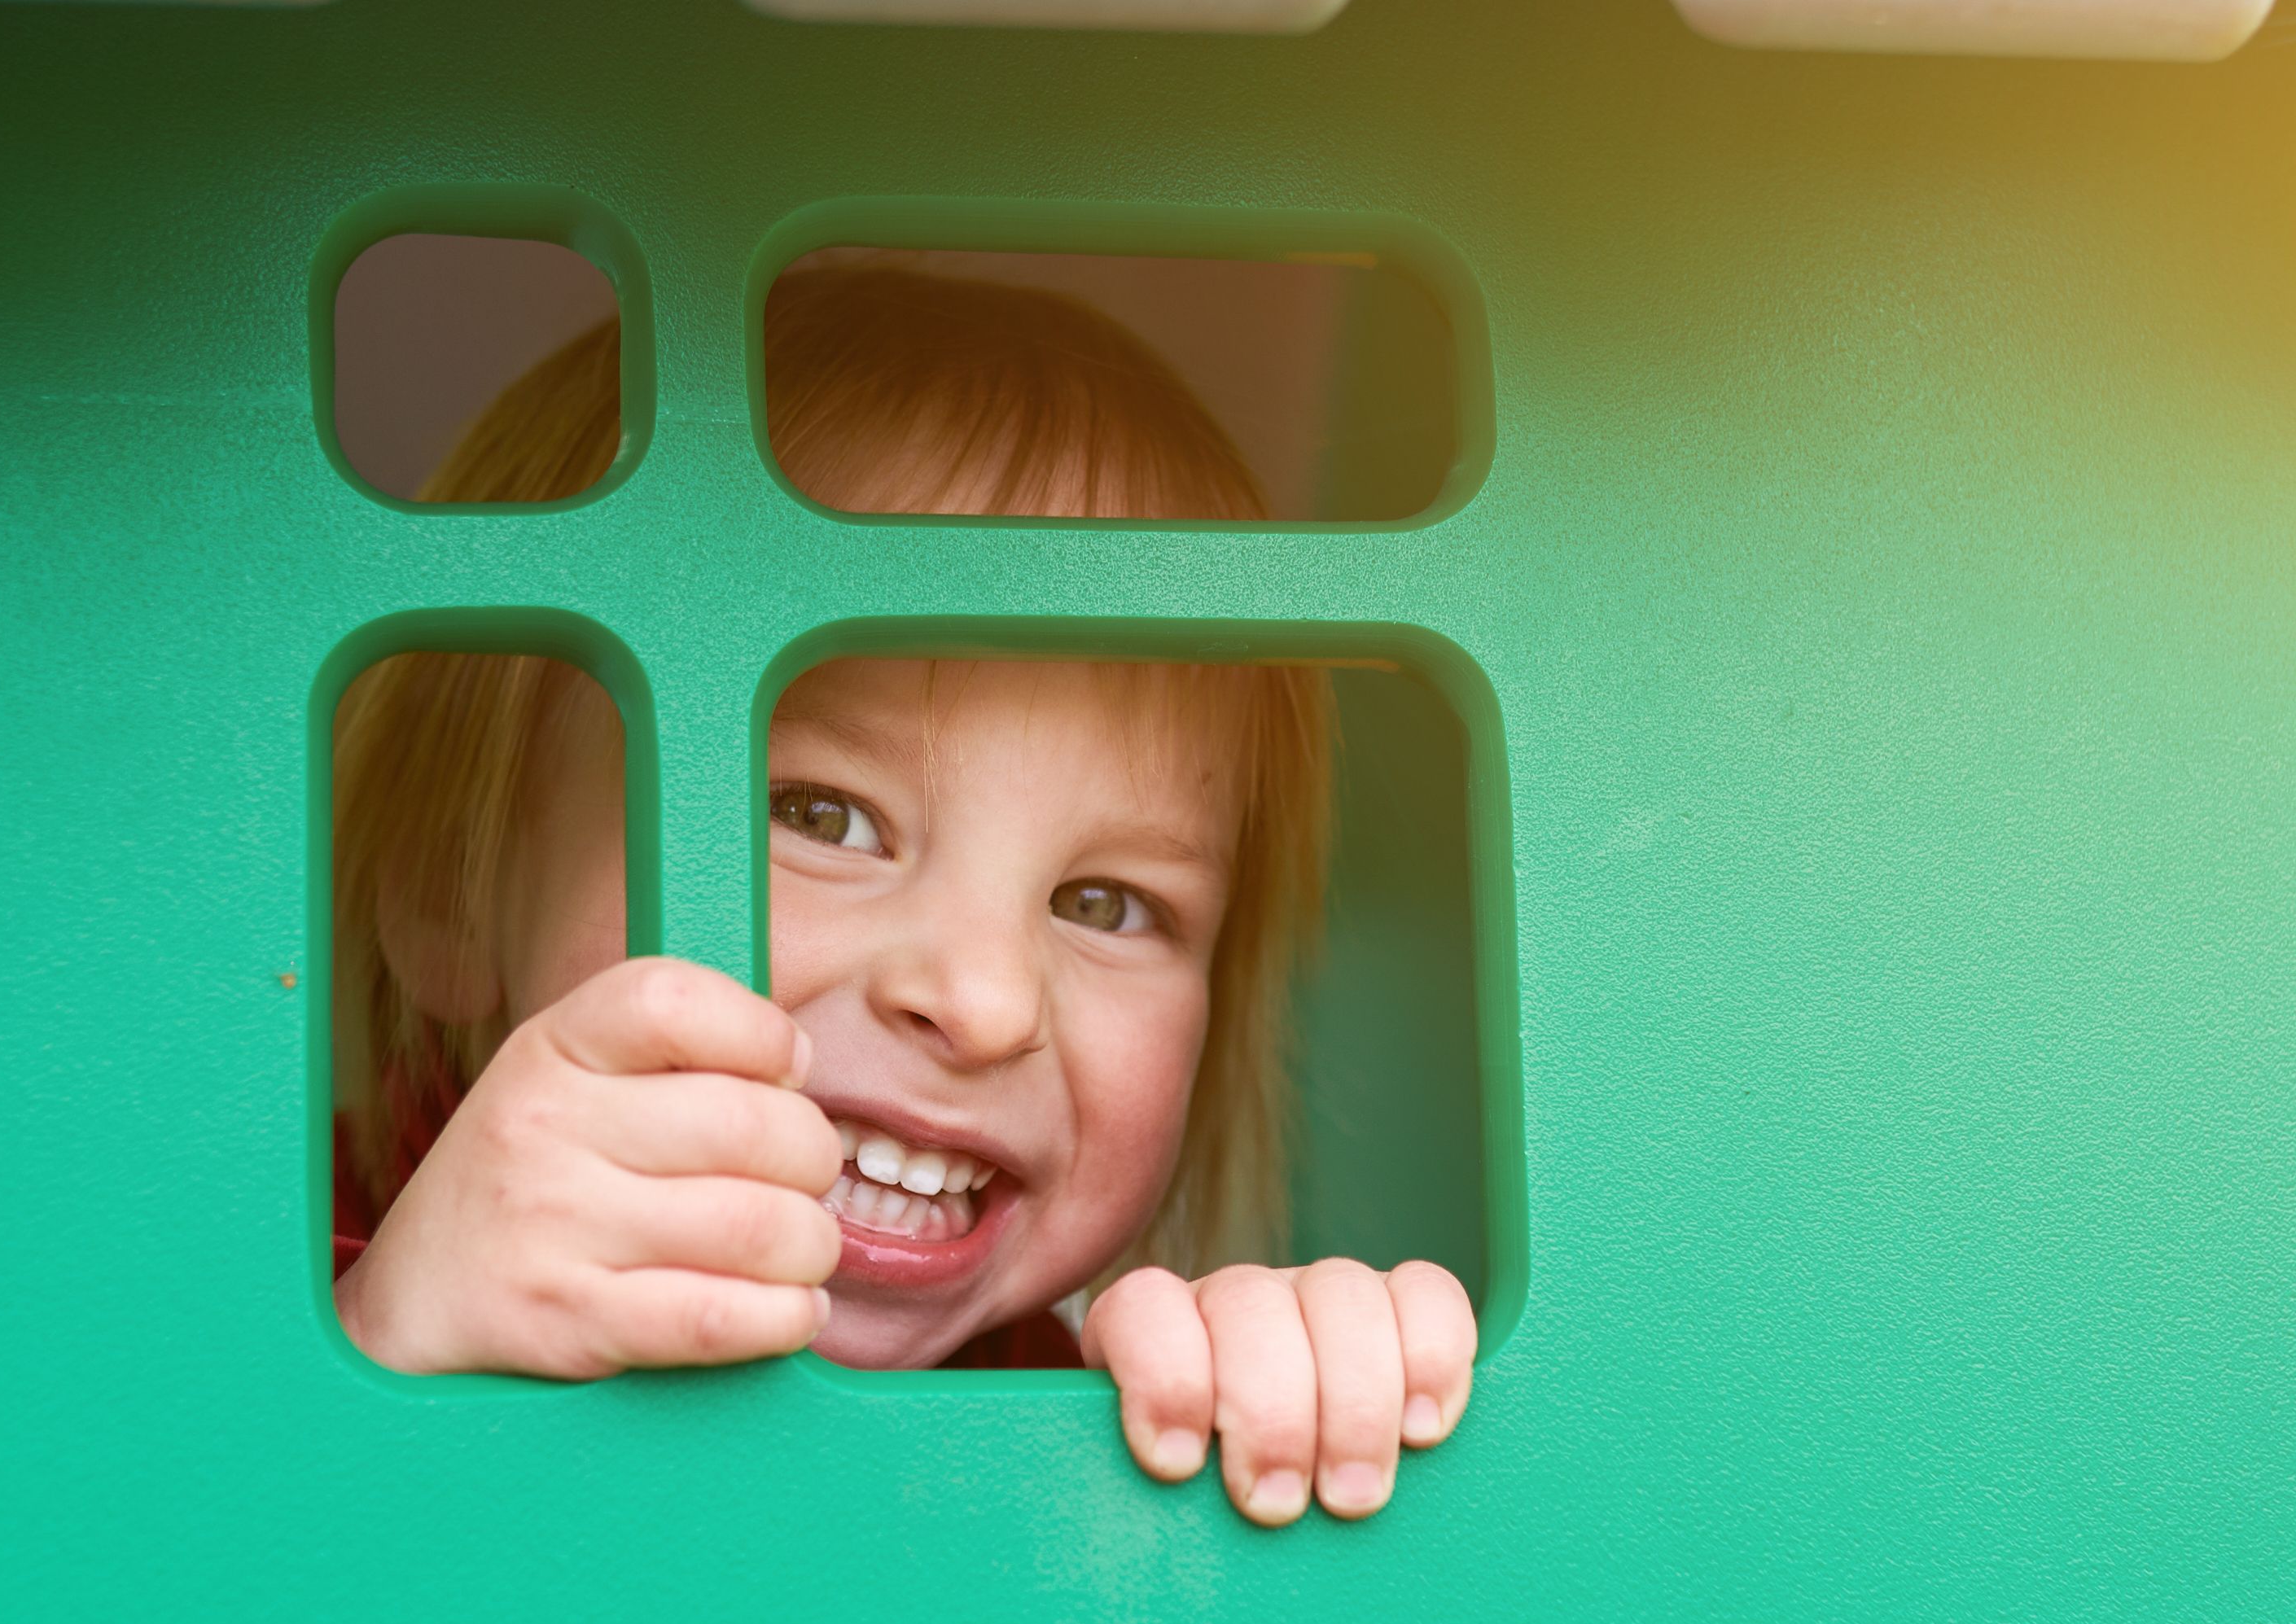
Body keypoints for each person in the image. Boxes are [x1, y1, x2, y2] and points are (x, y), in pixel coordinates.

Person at [330, 262, 1475, 1522]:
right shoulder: (261, 1284)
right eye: (825, 819)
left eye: (1105, 903)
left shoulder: (1078, 1412)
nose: (982, 1003)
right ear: (449, 884)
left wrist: (1279, 1413)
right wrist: (377, 1361)